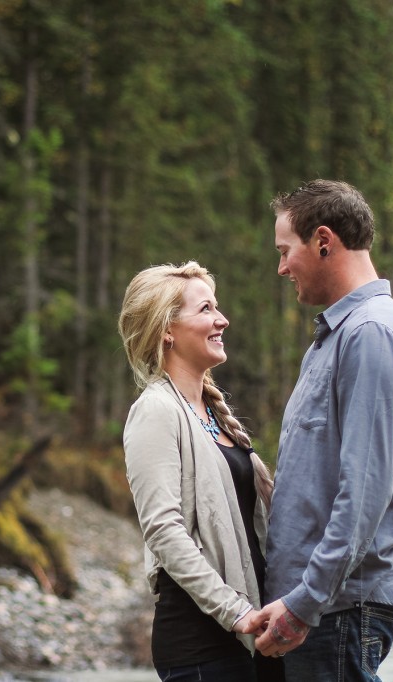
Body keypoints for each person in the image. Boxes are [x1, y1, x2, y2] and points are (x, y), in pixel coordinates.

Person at [246, 180, 393, 681]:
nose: (282, 267)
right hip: (319, 608)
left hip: (336, 610)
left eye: (286, 251)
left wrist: (305, 602)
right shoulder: (337, 337)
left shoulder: (371, 334)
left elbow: (363, 495)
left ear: (323, 241)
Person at [118, 261, 284, 682]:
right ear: (166, 330)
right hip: (203, 645)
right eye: (206, 309)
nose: (222, 319)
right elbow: (163, 530)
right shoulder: (155, 411)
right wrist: (236, 612)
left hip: (254, 635)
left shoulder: (214, 415)